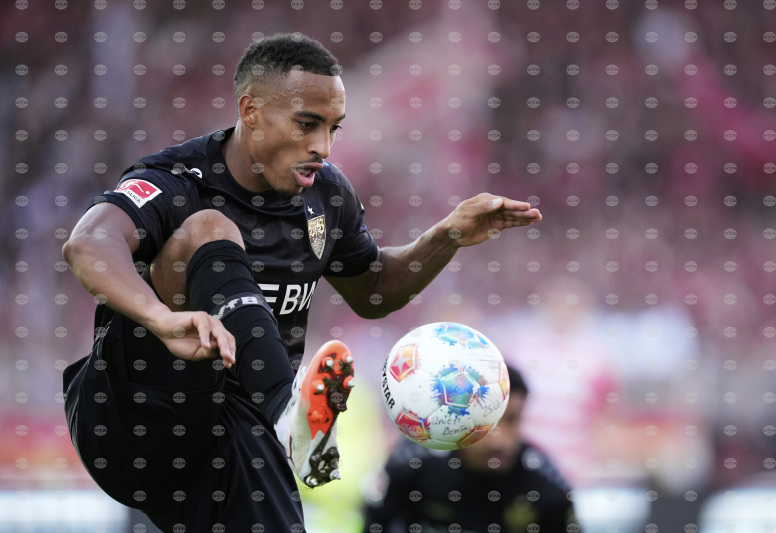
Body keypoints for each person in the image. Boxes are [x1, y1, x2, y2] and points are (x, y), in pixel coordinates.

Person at [61, 33, 542, 531]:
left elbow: (373, 291)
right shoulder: (179, 179)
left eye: (334, 128)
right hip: (134, 411)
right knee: (209, 228)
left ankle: (286, 417)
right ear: (250, 111)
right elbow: (88, 243)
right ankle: (289, 411)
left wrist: (445, 237)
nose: (323, 147)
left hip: (232, 429)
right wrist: (160, 317)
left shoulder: (326, 196)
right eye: (307, 124)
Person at [362, 365, 577, 533]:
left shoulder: (545, 484)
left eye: (512, 420)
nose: (499, 441)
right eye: (485, 421)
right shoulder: (413, 462)